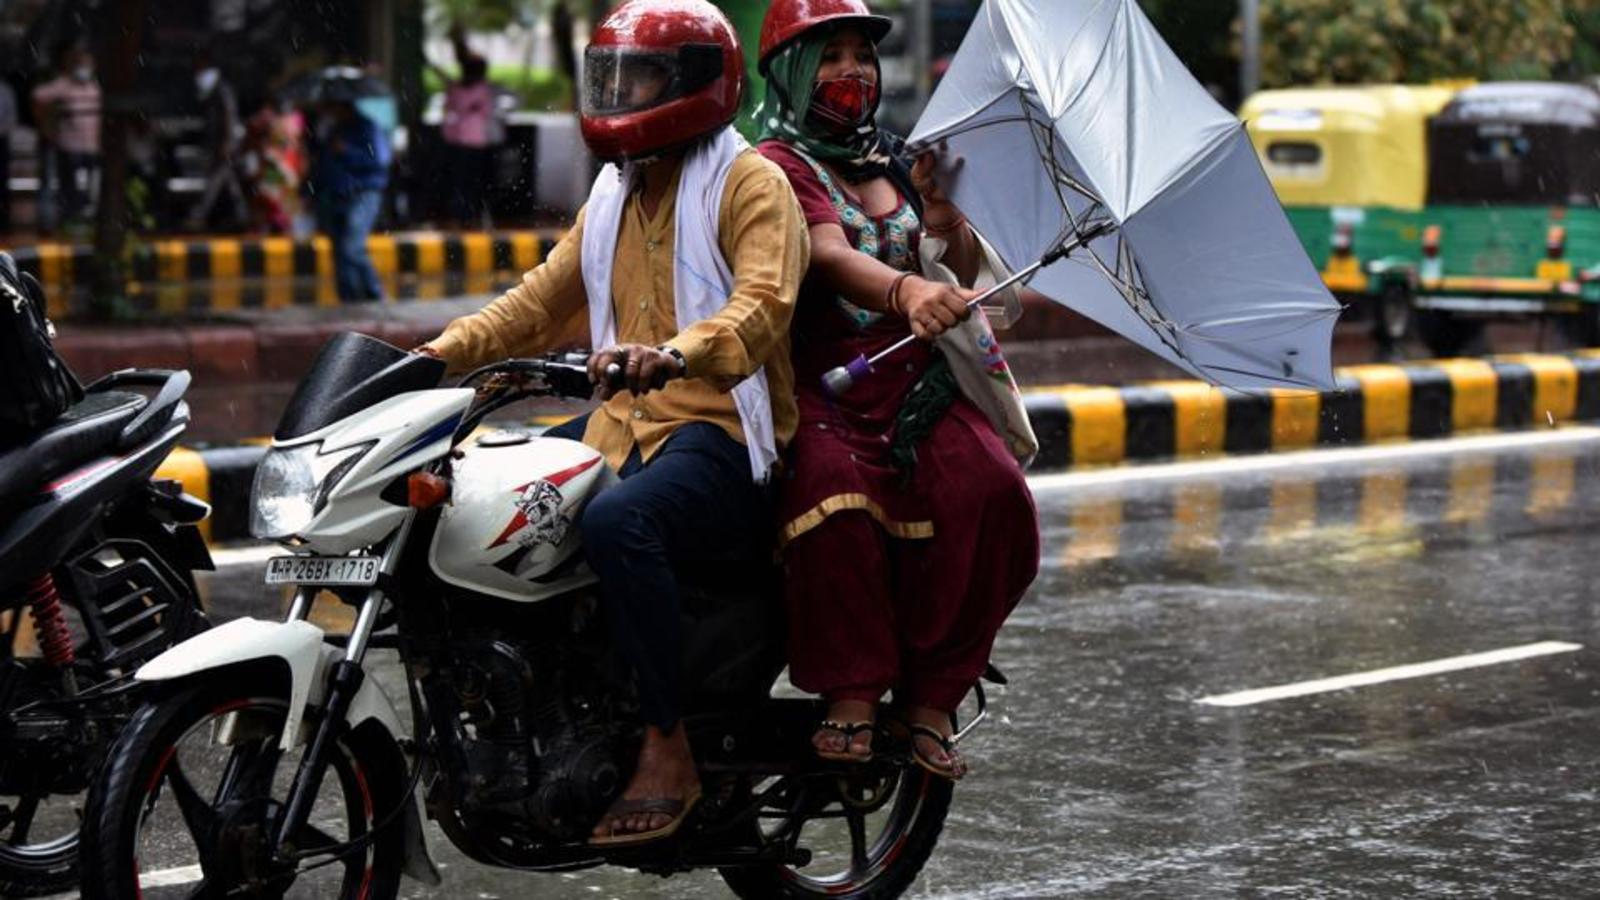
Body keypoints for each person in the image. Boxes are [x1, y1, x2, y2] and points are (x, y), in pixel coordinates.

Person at [416, 0, 808, 846]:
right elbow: (537, 304)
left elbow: (764, 303)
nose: (621, 92)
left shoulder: (750, 183)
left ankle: (669, 745)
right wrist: (428, 357)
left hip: (723, 433)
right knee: (473, 496)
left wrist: (676, 352)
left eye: (642, 76)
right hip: (618, 425)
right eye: (614, 75)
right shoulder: (616, 189)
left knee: (620, 521)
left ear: (700, 84)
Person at [755, 0, 1040, 781]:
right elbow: (826, 254)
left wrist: (943, 215)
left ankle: (935, 696)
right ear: (790, 71)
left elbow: (952, 262)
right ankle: (851, 690)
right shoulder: (774, 166)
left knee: (994, 495)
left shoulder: (893, 160)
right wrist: (905, 294)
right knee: (833, 502)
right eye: (832, 54)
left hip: (915, 382)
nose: (853, 71)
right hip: (822, 381)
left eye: (863, 55)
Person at [307, 94, 390, 301]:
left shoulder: (367, 127)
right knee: (339, 253)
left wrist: (347, 151)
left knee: (352, 247)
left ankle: (375, 293)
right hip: (335, 194)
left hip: (363, 192)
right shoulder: (331, 129)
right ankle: (350, 300)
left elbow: (379, 160)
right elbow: (323, 165)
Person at [434, 24, 501, 227]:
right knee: (476, 181)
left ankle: (462, 215)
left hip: (458, 140)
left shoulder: (456, 89)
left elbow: (448, 108)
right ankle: (474, 215)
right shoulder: (484, 90)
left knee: (460, 181)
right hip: (477, 141)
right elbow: (488, 111)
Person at [31, 48, 101, 231]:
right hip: (69, 147)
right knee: (69, 188)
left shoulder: (93, 87)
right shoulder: (63, 85)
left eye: (88, 64)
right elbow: (38, 96)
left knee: (89, 188)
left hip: (91, 147)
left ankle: (84, 220)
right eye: (82, 64)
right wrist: (46, 122)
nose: (85, 68)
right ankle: (69, 221)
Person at [187, 52, 249, 230]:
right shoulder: (213, 90)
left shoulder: (221, 89)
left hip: (226, 144)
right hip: (222, 143)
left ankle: (198, 214)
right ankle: (242, 215)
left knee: (215, 178)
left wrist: (227, 143)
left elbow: (230, 117)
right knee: (229, 182)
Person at [0, 78, 15, 234]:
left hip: (1, 139)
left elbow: (11, 118)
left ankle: (4, 223)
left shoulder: (5, 89)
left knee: (3, 182)